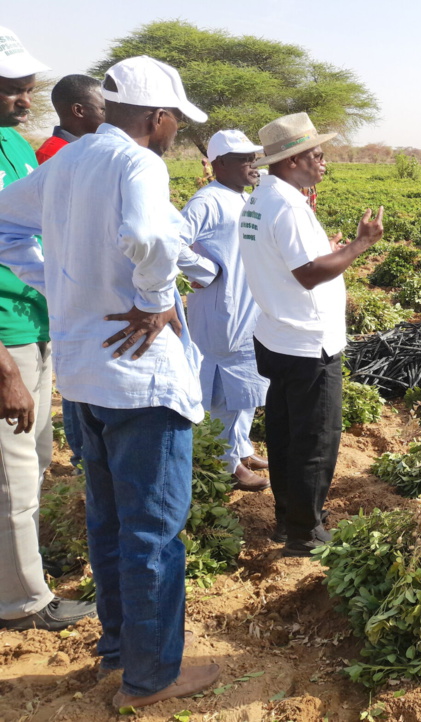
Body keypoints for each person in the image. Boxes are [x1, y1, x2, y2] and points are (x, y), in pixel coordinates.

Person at [0, 55, 220, 708]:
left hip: (83, 378)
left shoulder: (67, 161)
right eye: (175, 120)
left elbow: (6, 226)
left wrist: (60, 286)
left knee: (110, 525)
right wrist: (154, 299)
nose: (175, 131)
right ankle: (152, 678)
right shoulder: (137, 163)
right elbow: (149, 237)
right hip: (141, 385)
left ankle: (119, 653)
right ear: (156, 117)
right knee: (152, 533)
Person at [240, 112, 383, 557]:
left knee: (283, 435)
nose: (324, 162)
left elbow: (290, 259)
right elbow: (307, 273)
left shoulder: (261, 198)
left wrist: (329, 248)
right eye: (317, 155)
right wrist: (360, 244)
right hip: (307, 343)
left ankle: (288, 520)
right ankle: (306, 532)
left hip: (276, 335)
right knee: (316, 441)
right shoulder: (287, 205)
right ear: (293, 160)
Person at [0, 26, 97, 632]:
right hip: (6, 335)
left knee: (33, 460)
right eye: (13, 88)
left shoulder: (13, 144)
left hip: (32, 321)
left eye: (27, 87)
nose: (26, 97)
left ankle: (21, 567)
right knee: (11, 473)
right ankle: (22, 602)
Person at [180, 129, 270, 492]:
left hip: (248, 306)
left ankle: (242, 447)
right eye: (243, 159)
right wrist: (205, 272)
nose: (253, 164)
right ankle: (226, 461)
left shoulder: (243, 197)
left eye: (253, 157)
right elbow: (171, 242)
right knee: (225, 390)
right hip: (224, 310)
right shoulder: (207, 200)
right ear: (219, 164)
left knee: (246, 383)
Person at [35, 74, 106, 473]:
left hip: (78, 276)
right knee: (78, 364)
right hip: (68, 278)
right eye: (102, 107)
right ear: (78, 111)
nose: (108, 116)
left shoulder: (77, 151)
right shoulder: (56, 154)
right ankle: (82, 452)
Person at [35, 74, 105, 164]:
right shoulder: (51, 155)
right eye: (104, 110)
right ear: (79, 110)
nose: (110, 116)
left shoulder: (88, 148)